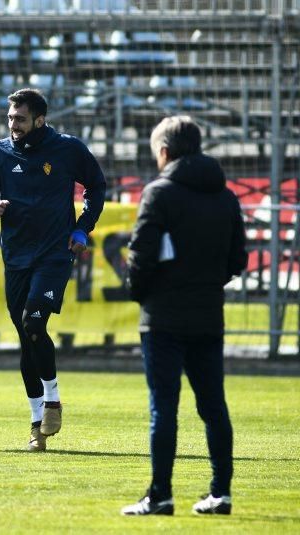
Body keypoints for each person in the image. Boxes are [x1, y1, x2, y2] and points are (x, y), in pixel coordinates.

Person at [121, 116, 247, 516]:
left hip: (163, 317)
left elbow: (141, 255)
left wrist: (140, 294)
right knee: (214, 406)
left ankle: (160, 495)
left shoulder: (160, 193)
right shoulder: (226, 197)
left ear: (164, 152)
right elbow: (238, 260)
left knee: (164, 407)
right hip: (209, 313)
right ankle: (220, 492)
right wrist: (208, 283)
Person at [0, 88, 106, 452]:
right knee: (27, 338)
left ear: (40, 120)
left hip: (54, 254)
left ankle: (53, 400)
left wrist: (82, 226)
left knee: (33, 323)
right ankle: (36, 425)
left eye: (21, 119)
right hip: (15, 258)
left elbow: (97, 185)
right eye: (11, 117)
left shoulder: (67, 148)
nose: (13, 124)